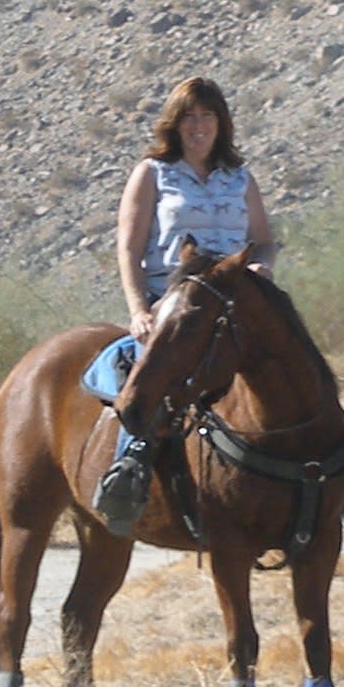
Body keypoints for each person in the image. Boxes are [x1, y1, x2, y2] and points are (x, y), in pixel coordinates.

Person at [90, 76, 272, 537]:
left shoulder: (240, 178)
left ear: (221, 124)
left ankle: (342, 463)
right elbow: (129, 249)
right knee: (146, 374)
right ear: (175, 123)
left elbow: (265, 242)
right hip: (173, 298)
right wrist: (139, 310)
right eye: (189, 116)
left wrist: (261, 269)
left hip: (235, 300)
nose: (199, 125)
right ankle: (128, 469)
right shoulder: (153, 173)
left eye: (208, 116)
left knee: (293, 353)